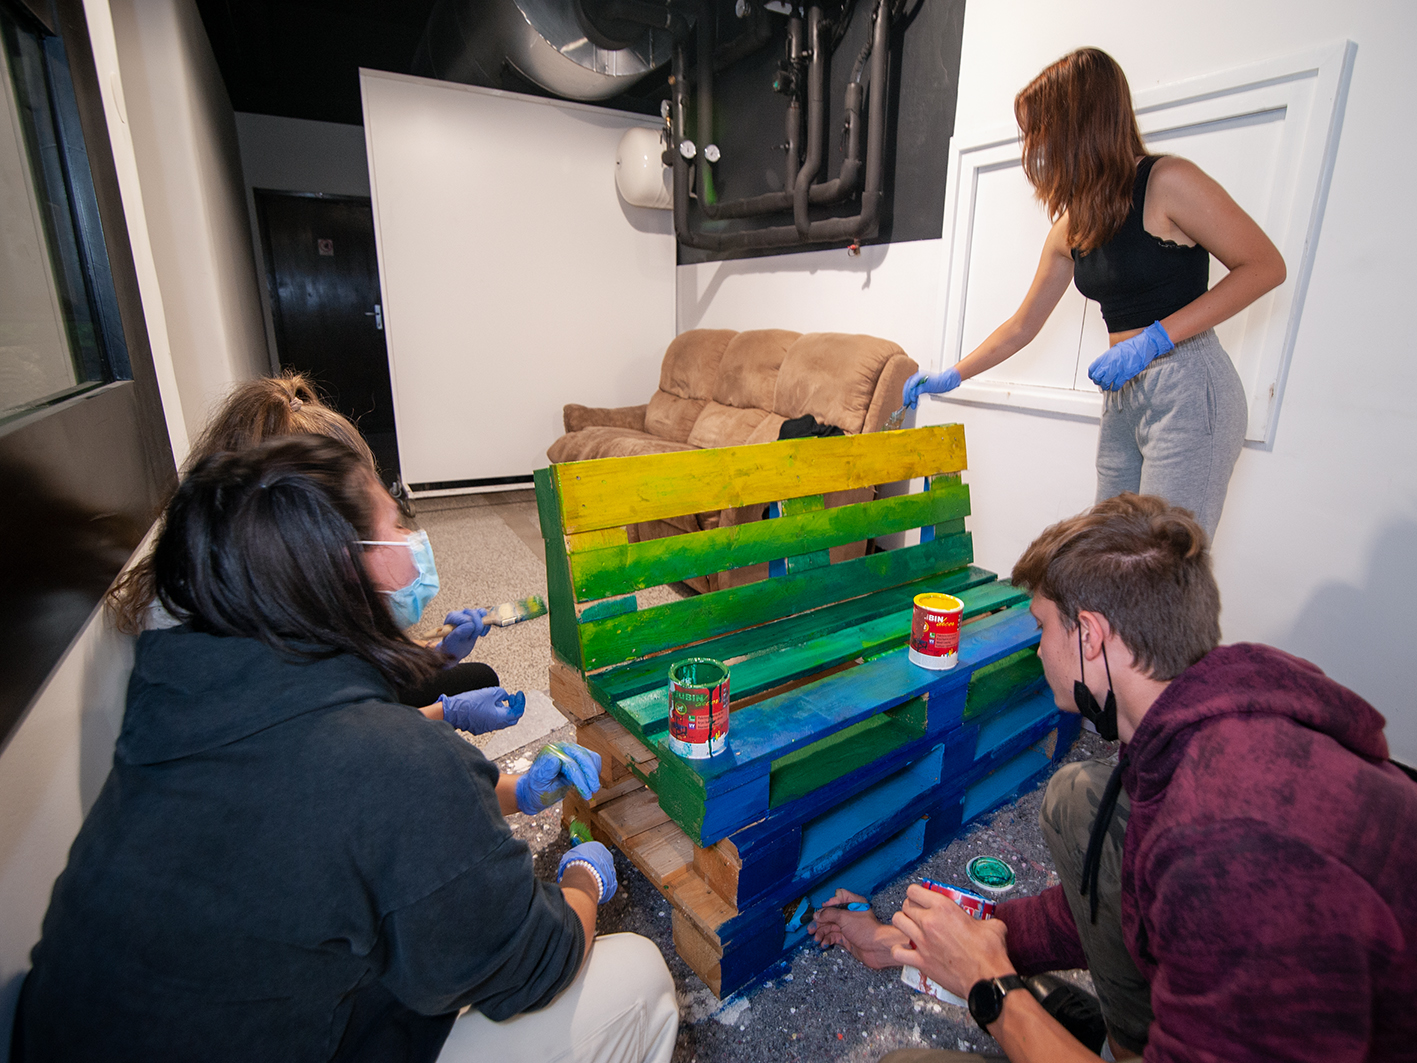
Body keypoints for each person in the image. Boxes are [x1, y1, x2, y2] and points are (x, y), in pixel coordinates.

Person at [12, 436, 679, 1063]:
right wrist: (581, 880)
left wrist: (490, 779)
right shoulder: (390, 760)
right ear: (337, 565)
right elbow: (534, 960)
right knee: (636, 977)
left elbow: (352, 825)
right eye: (394, 523)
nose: (413, 542)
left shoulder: (174, 697)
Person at [811, 493, 1417, 1062]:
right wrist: (917, 944)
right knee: (1081, 798)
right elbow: (1110, 901)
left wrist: (990, 987)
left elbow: (1208, 872)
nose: (1038, 650)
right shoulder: (1197, 724)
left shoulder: (1224, 843)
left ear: (1090, 636)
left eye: (1043, 627)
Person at [902, 49, 1286, 538]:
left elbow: (1265, 266)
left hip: (1187, 385)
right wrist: (953, 374)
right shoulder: (1073, 226)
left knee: (1165, 562)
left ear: (1079, 122)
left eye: (1041, 130)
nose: (1036, 148)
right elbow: (1021, 326)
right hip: (1123, 394)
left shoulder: (1168, 182)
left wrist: (1155, 339)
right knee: (1109, 550)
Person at [106, 371, 521, 735]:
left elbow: (352, 661)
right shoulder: (233, 633)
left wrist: (437, 655)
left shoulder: (270, 574)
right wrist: (447, 718)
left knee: (470, 677)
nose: (406, 538)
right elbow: (333, 732)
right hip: (291, 747)